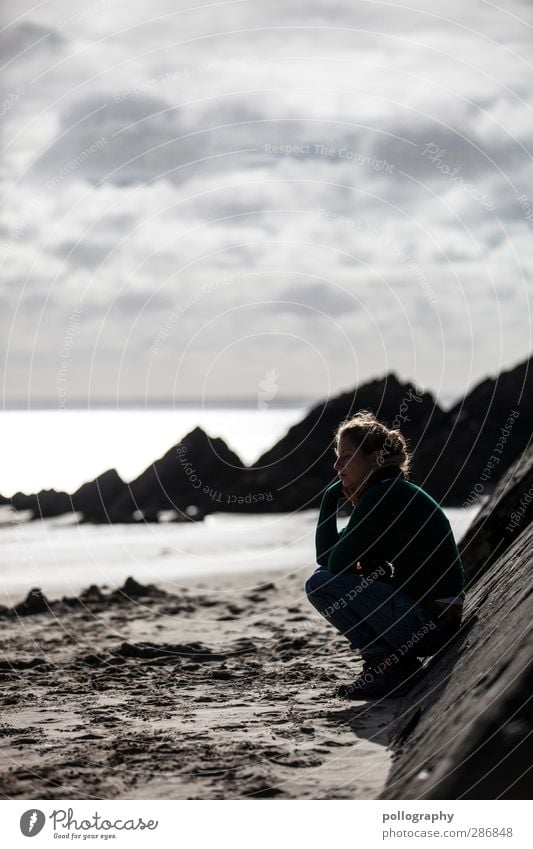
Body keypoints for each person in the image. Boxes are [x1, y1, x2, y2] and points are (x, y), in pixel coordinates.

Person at [305, 410, 465, 699]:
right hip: (433, 620)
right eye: (337, 455)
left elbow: (334, 563)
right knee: (322, 578)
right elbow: (327, 556)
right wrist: (330, 498)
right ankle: (391, 664)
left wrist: (330, 499)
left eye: (346, 455)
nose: (336, 464)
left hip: (432, 625)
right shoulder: (386, 490)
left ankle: (389, 667)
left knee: (320, 584)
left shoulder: (383, 495)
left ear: (375, 458)